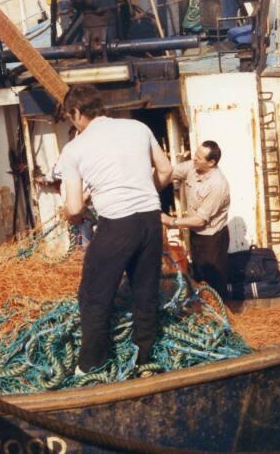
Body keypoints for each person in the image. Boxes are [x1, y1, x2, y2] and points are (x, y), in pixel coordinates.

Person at [58, 84, 173, 374]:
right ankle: (143, 359)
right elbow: (166, 171)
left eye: (71, 117)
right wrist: (146, 191)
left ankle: (91, 364)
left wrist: (76, 214)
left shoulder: (73, 149)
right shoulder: (137, 127)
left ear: (76, 113)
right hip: (149, 219)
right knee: (145, 292)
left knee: (94, 295)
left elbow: (73, 208)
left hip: (116, 225)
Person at [161, 141, 231, 295]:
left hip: (212, 239)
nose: (194, 159)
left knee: (214, 283)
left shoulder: (218, 184)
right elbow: (169, 173)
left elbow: (200, 220)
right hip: (196, 235)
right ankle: (204, 313)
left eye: (199, 158)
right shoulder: (193, 167)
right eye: (195, 155)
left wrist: (171, 221)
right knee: (198, 276)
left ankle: (222, 314)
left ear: (211, 162)